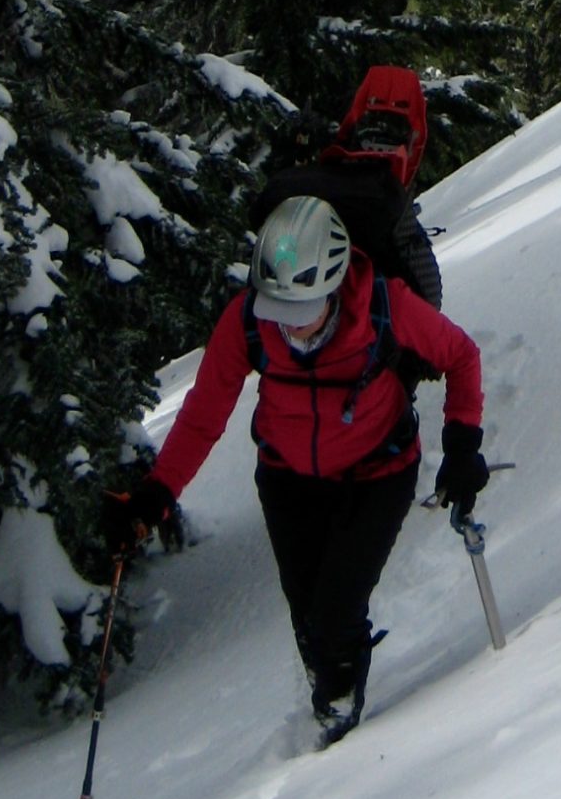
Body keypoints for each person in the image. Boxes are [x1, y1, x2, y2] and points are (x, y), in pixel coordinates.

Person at [103, 194, 487, 745]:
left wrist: (462, 443)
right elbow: (202, 416)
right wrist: (154, 497)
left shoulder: (386, 305)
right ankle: (329, 685)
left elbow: (461, 356)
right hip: (288, 481)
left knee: (335, 613)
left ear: (333, 287)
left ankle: (339, 719)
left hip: (377, 473)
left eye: (303, 313)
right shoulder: (248, 323)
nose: (292, 330)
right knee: (308, 619)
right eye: (278, 313)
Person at [249, 63, 441, 307]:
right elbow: (429, 296)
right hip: (366, 324)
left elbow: (256, 217)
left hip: (277, 306)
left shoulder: (287, 184)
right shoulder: (387, 202)